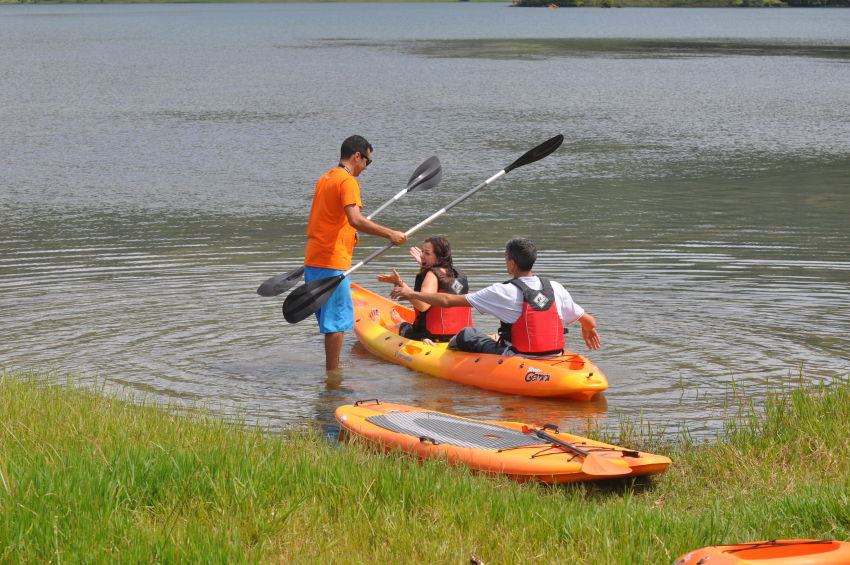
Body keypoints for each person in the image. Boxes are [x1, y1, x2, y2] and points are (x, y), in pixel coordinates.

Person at [390, 238, 600, 357]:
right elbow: (589, 321)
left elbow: (446, 301)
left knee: (467, 333)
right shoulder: (555, 287)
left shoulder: (504, 291)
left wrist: (409, 292)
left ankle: (441, 352)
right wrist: (587, 328)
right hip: (555, 355)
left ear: (511, 263)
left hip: (518, 357)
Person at [303, 135, 407, 371]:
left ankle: (332, 370)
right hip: (333, 261)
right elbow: (356, 219)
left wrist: (349, 235)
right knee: (336, 324)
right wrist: (390, 234)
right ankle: (334, 375)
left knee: (331, 322)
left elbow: (328, 219)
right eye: (367, 162)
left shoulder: (325, 178)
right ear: (357, 156)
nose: (366, 168)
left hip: (314, 258)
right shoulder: (348, 181)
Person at [373, 236, 473, 343]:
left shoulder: (432, 274)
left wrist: (400, 285)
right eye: (422, 252)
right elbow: (442, 282)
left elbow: (423, 305)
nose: (422, 256)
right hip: (461, 336)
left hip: (430, 337)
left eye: (427, 253)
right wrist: (424, 264)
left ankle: (377, 326)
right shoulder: (458, 274)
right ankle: (403, 322)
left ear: (439, 258)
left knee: (393, 328)